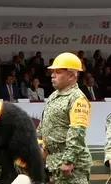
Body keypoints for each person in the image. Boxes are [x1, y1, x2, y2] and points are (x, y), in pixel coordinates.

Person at [39, 52, 92, 183]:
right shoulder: (53, 96)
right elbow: (44, 125)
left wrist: (69, 161)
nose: (52, 75)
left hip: (72, 168)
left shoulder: (78, 98)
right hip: (54, 163)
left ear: (71, 75)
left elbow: (77, 131)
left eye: (58, 72)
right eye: (52, 71)